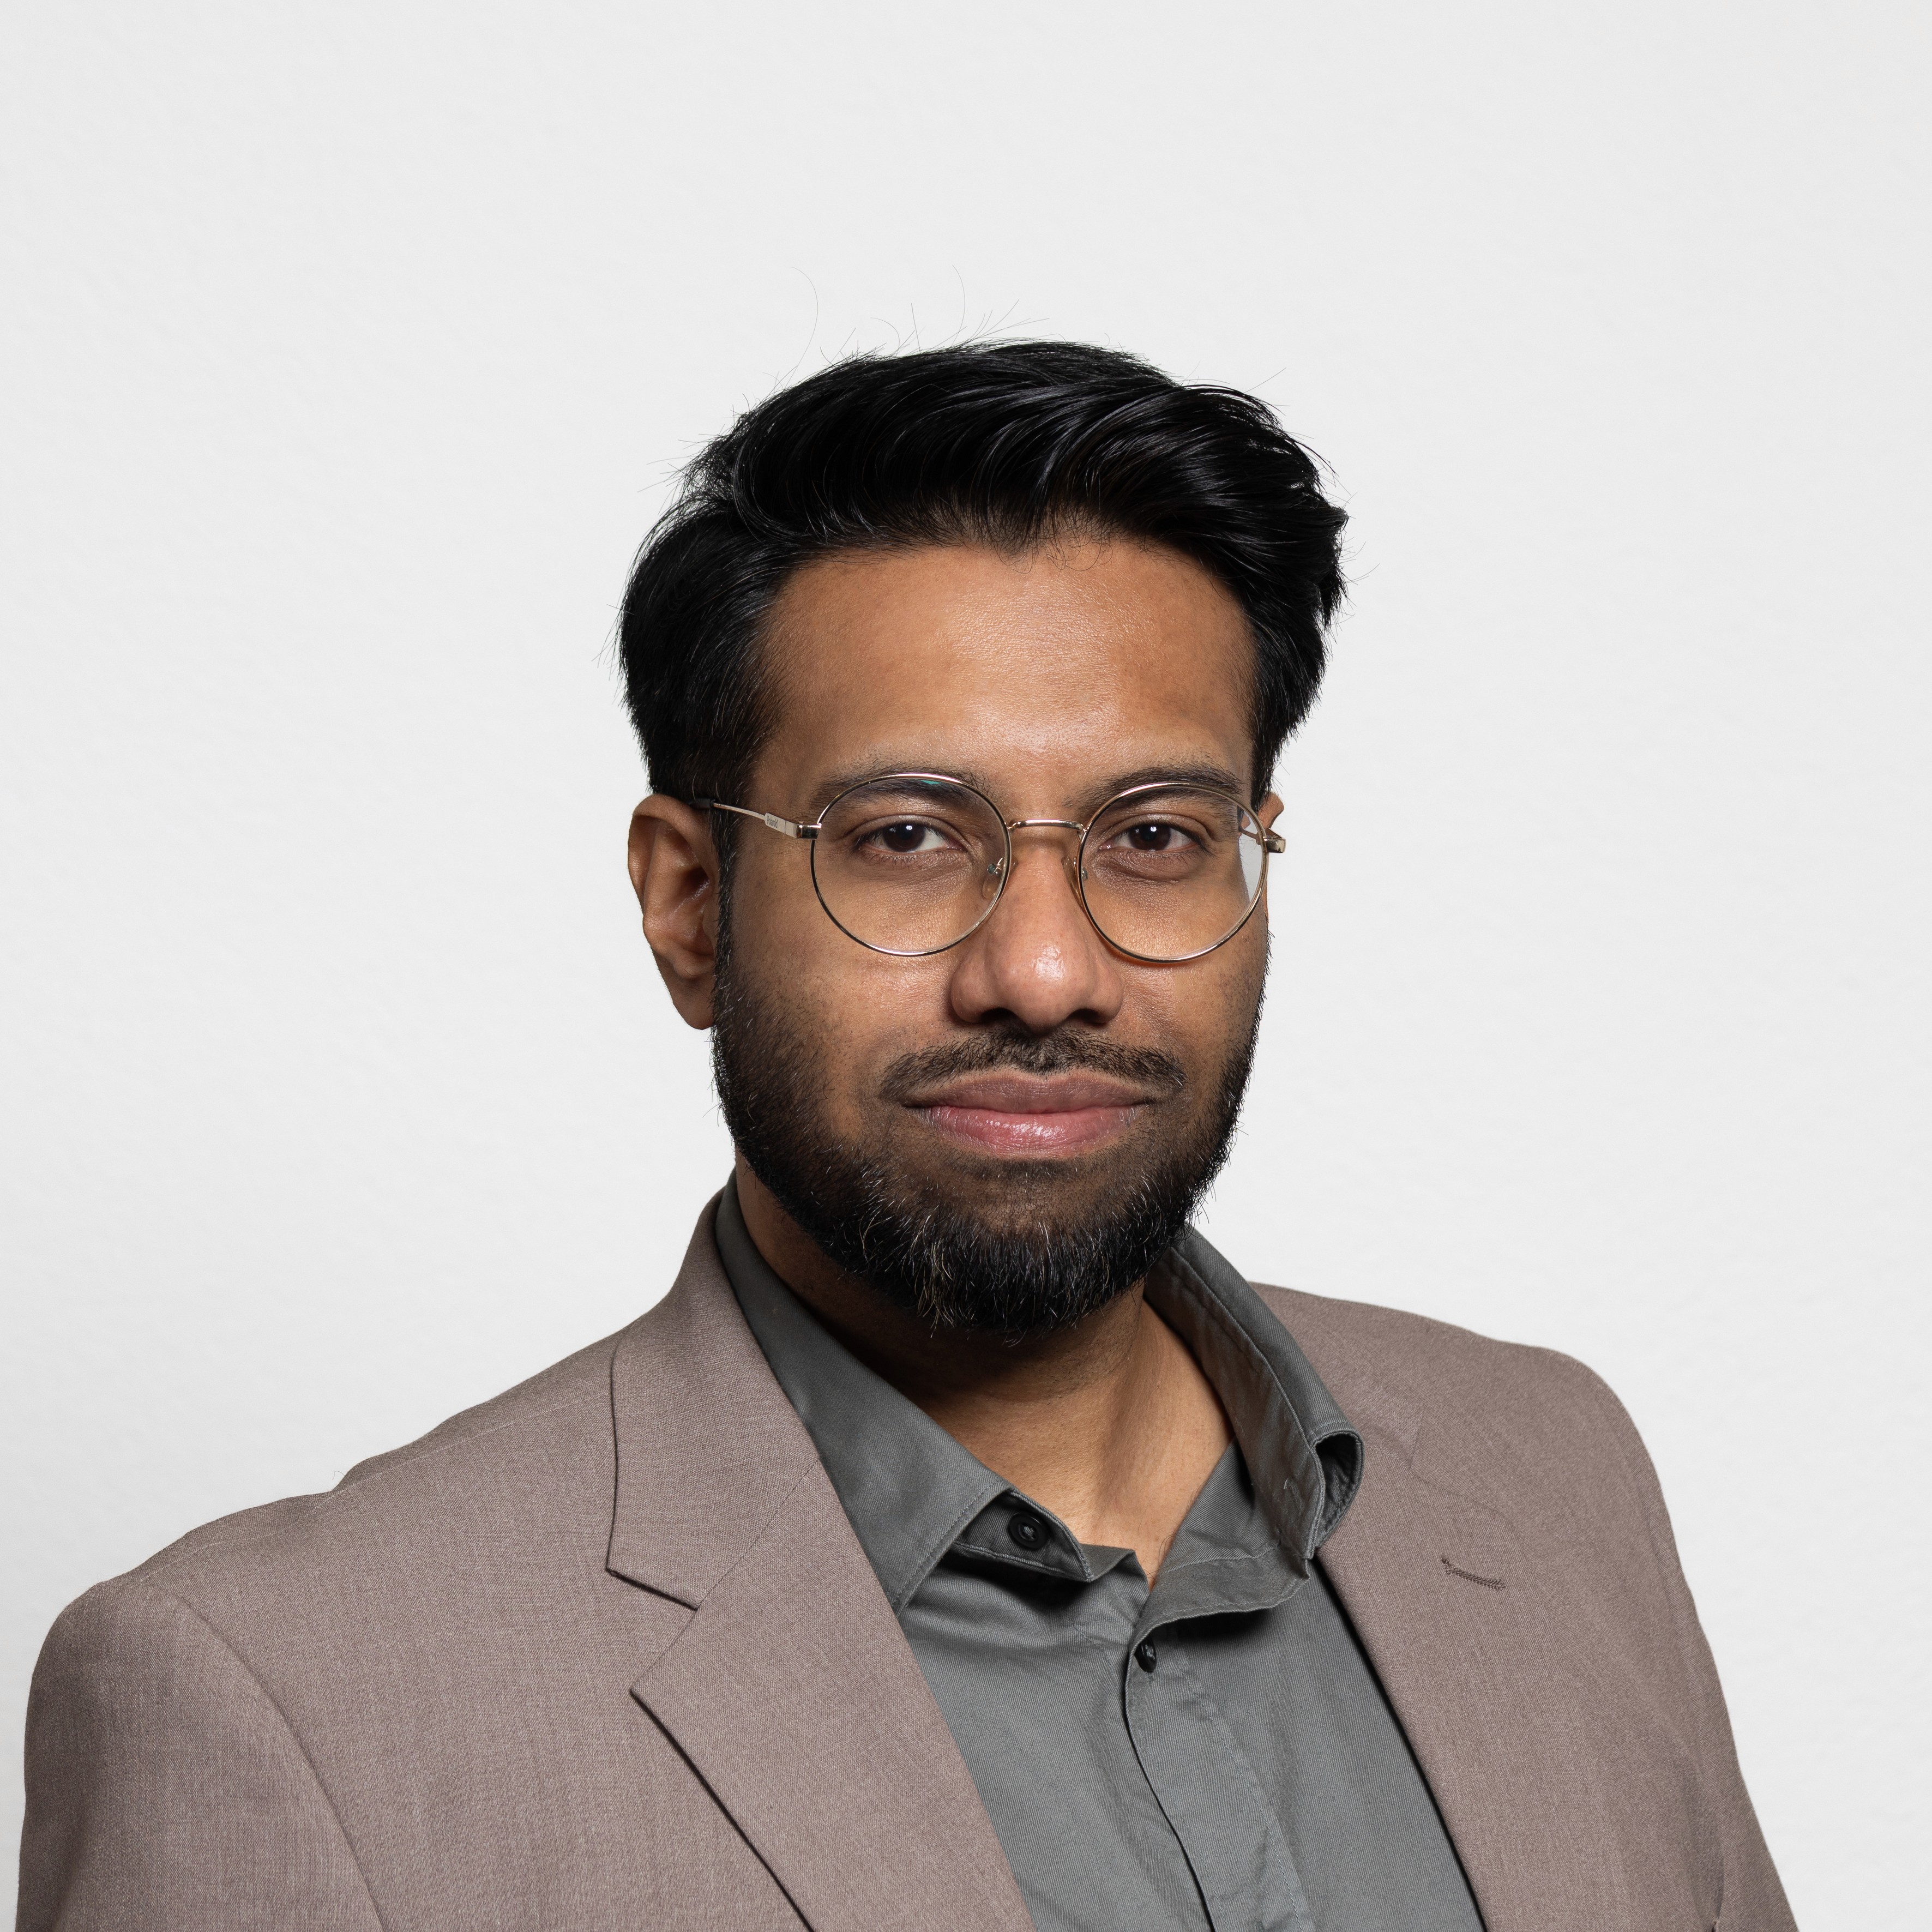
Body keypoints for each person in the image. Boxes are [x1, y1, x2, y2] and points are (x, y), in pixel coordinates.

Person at [17, 342, 1796, 1932]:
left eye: (1157, 836)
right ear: (691, 904)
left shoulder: (1554, 1478)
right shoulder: (276, 1699)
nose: (1044, 970)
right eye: (907, 838)